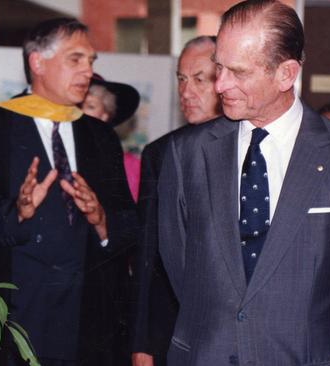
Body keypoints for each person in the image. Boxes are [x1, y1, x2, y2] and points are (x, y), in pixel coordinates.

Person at [155, 0, 330, 364]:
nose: (220, 84)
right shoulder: (186, 154)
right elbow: (181, 269)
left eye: (237, 72)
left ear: (286, 74)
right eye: (218, 67)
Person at [0, 18, 136, 366]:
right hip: (13, 320)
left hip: (87, 323)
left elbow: (130, 225)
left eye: (91, 61)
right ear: (37, 62)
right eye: (75, 59)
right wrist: (18, 214)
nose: (87, 70)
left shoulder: (100, 137)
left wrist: (102, 221)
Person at [131, 35, 220, 366]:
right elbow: (146, 255)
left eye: (199, 79)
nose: (186, 91)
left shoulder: (254, 148)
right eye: (181, 79)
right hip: (173, 331)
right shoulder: (161, 153)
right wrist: (141, 342)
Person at [82, 73, 141, 200]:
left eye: (90, 106)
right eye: (77, 106)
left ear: (105, 115)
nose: (81, 112)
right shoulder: (60, 154)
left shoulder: (129, 165)